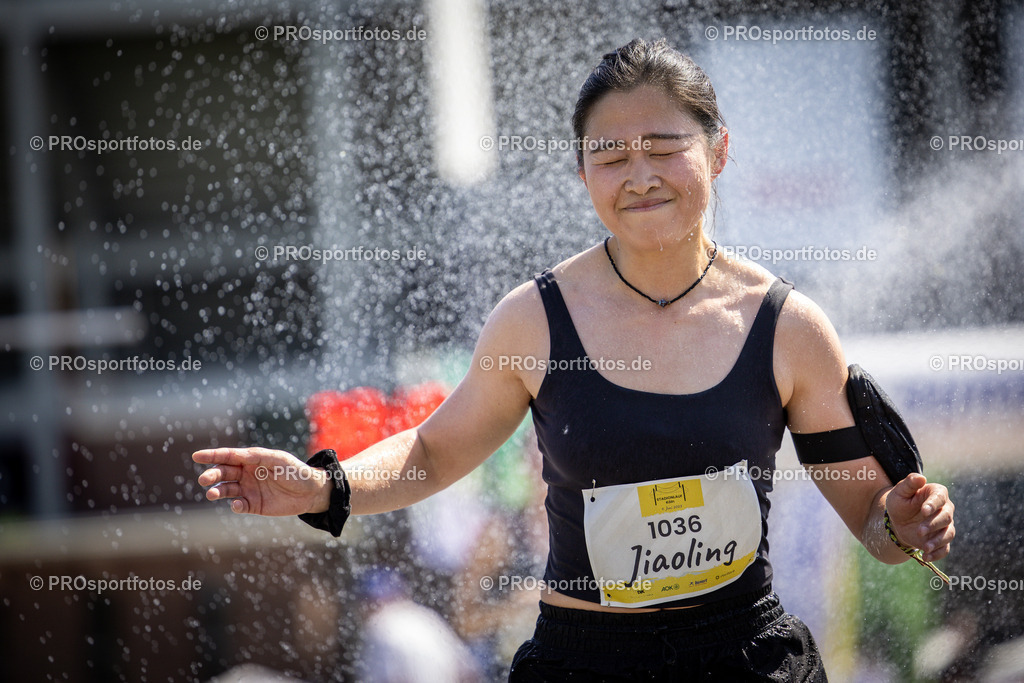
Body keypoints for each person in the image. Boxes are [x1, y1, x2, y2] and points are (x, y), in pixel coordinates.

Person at [193, 38, 956, 681]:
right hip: (584, 661)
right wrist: (324, 485)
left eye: (664, 147)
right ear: (582, 173)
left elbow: (876, 529)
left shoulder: (788, 326)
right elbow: (431, 451)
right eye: (610, 155)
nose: (640, 174)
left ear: (719, 150)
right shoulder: (534, 319)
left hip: (744, 657)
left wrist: (905, 524)